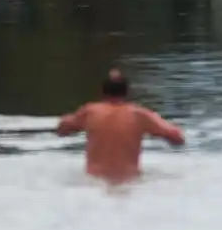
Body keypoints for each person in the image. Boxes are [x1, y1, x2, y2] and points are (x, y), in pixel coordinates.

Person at [56, 68, 185, 183]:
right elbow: (177, 137)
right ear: (127, 92)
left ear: (102, 92)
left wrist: (69, 120)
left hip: (94, 182)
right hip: (129, 183)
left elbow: (62, 129)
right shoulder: (139, 115)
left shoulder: (90, 112)